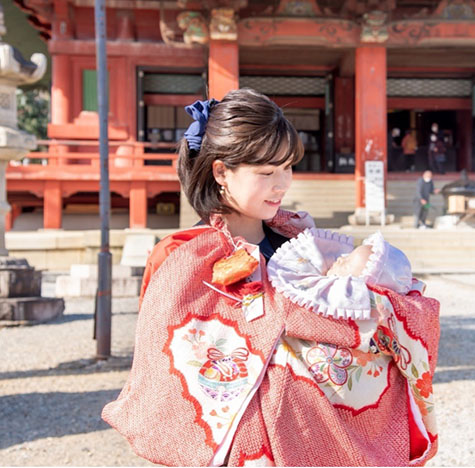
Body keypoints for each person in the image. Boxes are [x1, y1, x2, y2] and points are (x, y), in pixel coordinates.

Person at [101, 88, 440, 467]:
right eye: (266, 172)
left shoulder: (302, 246)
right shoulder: (179, 257)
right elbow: (166, 371)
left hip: (327, 443)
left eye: (287, 167)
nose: (282, 184)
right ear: (221, 172)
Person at [267, 229, 413, 321]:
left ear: (353, 287)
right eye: (348, 255)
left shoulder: (336, 304)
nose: (340, 259)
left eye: (347, 263)